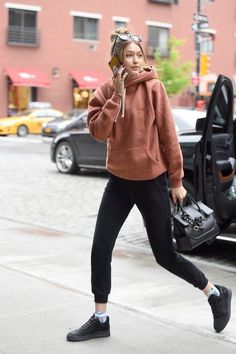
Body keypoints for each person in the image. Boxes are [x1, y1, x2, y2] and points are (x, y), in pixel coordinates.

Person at [66, 27, 232, 342]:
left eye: (138, 55)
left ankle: (214, 293)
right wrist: (116, 95)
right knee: (101, 247)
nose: (135, 61)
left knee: (164, 254)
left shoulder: (154, 87)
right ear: (116, 60)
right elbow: (98, 133)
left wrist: (177, 180)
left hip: (150, 181)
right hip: (118, 182)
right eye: (128, 55)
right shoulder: (103, 92)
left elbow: (168, 134)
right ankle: (101, 318)